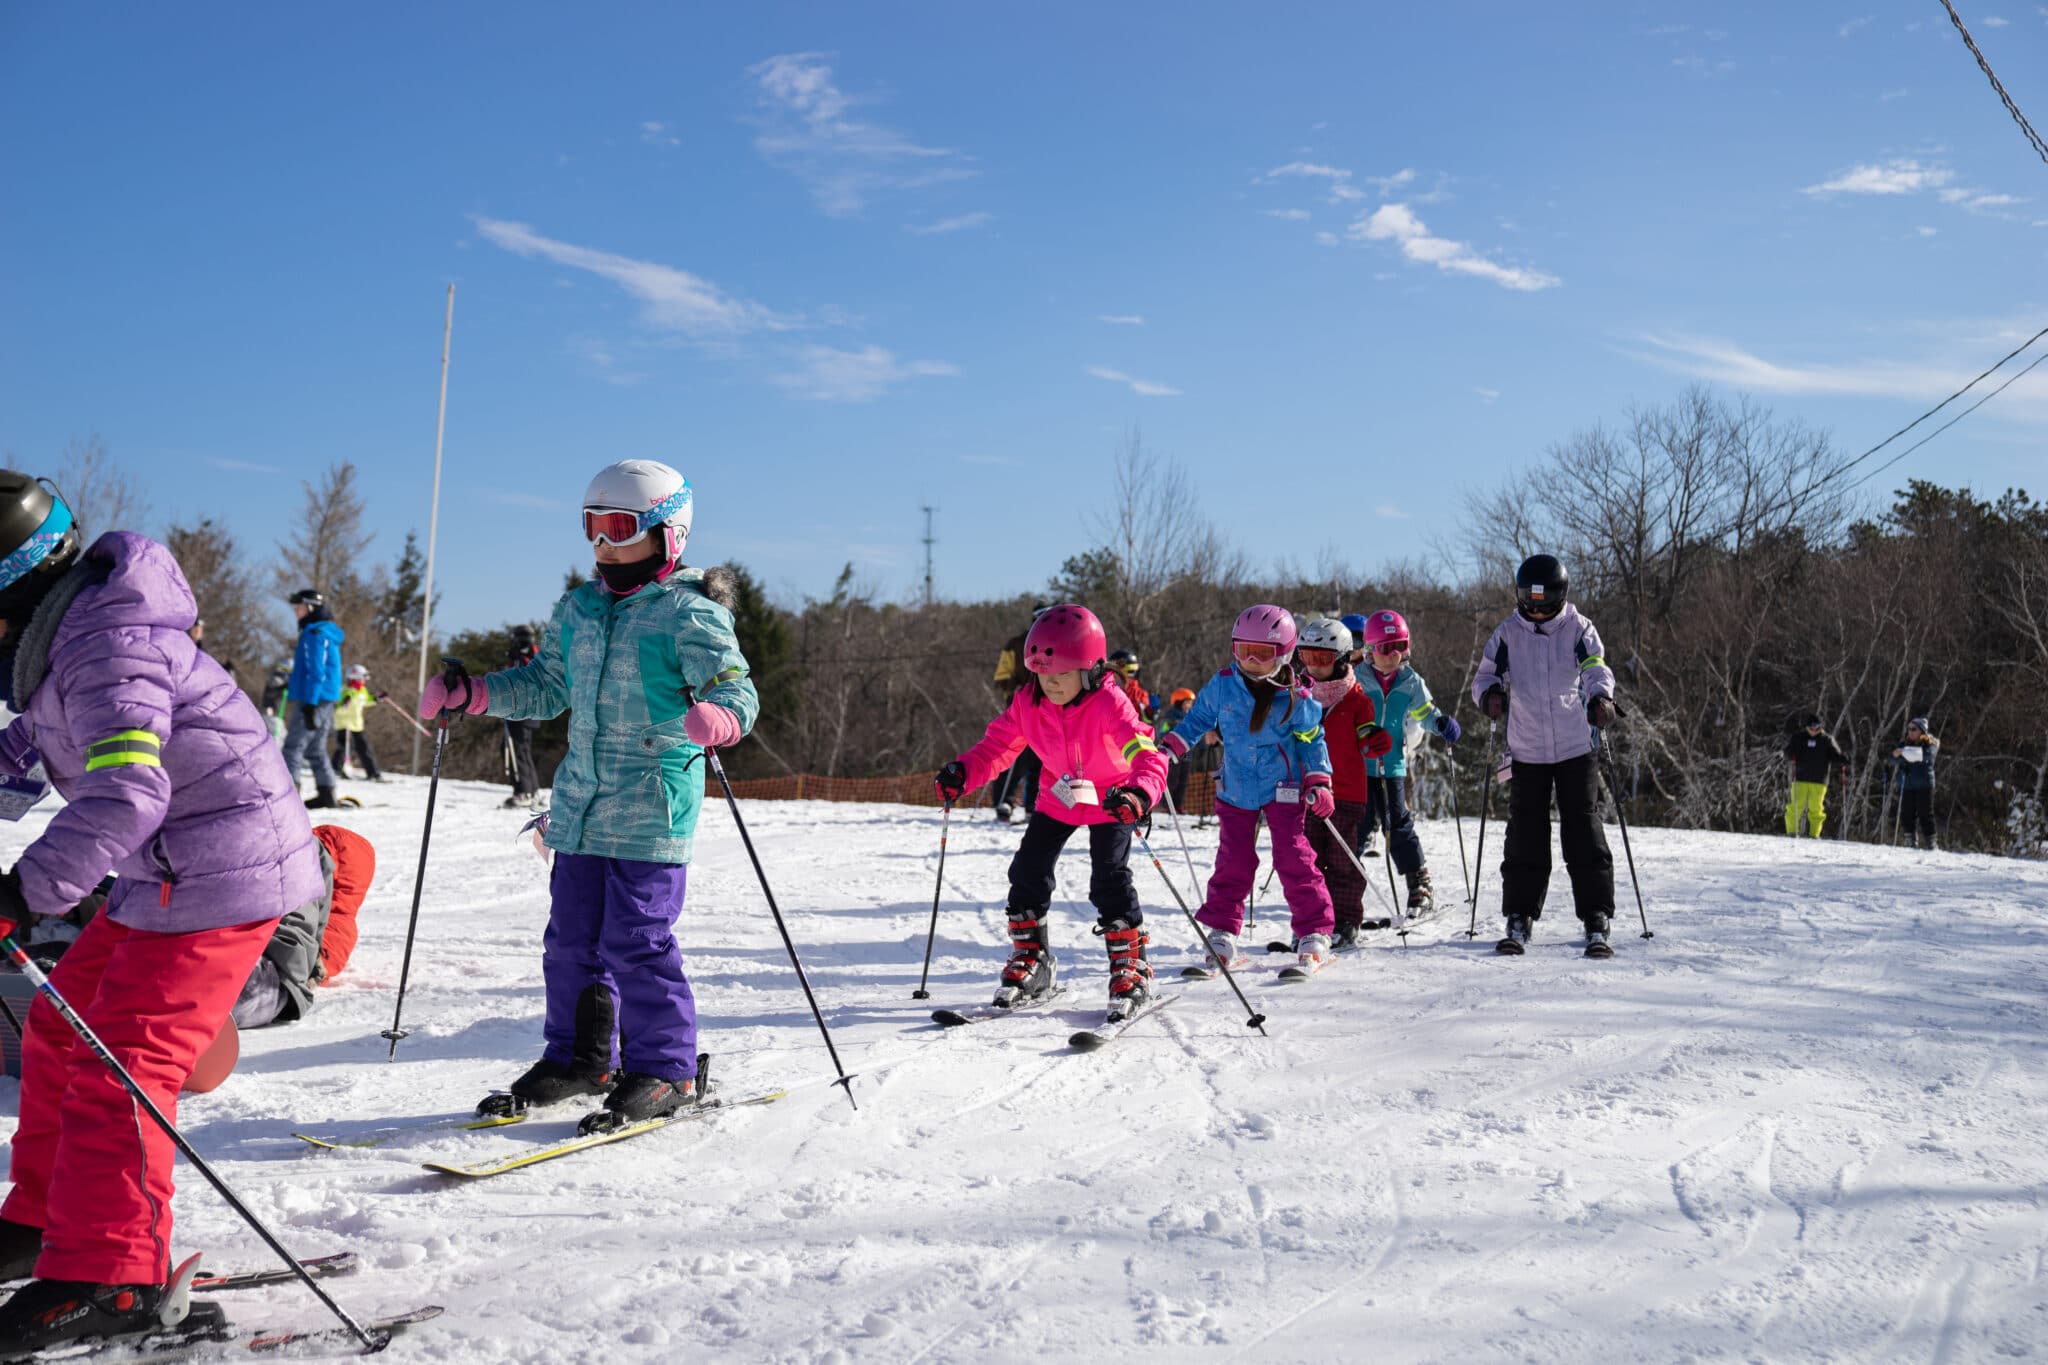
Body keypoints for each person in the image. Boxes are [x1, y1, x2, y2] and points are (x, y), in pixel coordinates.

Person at [0, 473, 324, 1354]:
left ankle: (113, 1275)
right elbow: (20, 760)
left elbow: (126, 791)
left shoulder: (106, 647)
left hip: (224, 872)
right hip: (166, 875)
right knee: (61, 1035)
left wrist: (21, 892)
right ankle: (41, 1224)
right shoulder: (61, 648)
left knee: (122, 1066)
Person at [421, 458, 757, 1124]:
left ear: (669, 533)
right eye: (592, 527)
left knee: (636, 940)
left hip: (651, 810)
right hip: (580, 809)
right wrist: (477, 692)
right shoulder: (578, 608)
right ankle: (579, 1058)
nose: (603, 544)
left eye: (619, 527)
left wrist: (721, 714)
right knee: (571, 939)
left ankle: (666, 1068)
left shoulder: (689, 614)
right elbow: (547, 686)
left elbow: (736, 687)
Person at [935, 604, 1168, 1021]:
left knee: (1109, 879)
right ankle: (1033, 960)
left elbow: (1144, 752)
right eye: (1043, 674)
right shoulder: (1029, 702)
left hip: (1112, 797)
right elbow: (997, 748)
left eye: (1061, 675)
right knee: (1027, 870)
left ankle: (1131, 966)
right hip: (1059, 795)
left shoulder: (1109, 703)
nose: (1051, 684)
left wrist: (1138, 793)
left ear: (1090, 669)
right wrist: (964, 772)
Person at [1160, 605, 1338, 976]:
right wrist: (1169, 750)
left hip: (1283, 787)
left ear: (1285, 653)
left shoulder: (1298, 695)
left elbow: (1311, 739)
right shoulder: (1224, 684)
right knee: (1233, 860)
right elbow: (1196, 721)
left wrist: (1320, 779)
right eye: (1245, 651)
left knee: (1293, 856)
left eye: (1264, 653)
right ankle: (1222, 932)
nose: (1253, 661)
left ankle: (1314, 932)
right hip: (1236, 786)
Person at [1472, 554, 1619, 958]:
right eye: (1529, 602)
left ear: (1560, 596)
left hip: (1575, 746)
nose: (1536, 611)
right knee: (1525, 834)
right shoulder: (1507, 633)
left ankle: (1595, 917)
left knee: (1583, 830)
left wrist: (1600, 698)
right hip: (1527, 749)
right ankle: (1519, 916)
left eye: (1543, 603)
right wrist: (1489, 696)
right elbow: (1484, 676)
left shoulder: (1579, 628)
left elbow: (1595, 668)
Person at [1295, 619, 1395, 946]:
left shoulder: (1355, 699)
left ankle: (1346, 920)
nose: (1313, 666)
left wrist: (1375, 741)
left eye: (1321, 659)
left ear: (1340, 659)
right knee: (1307, 863)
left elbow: (1366, 736)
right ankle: (1312, 924)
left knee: (1341, 861)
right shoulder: (1297, 695)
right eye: (1306, 657)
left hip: (1345, 794)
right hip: (1306, 794)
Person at [1356, 610, 1460, 915]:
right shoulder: (1357, 679)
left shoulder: (1410, 680)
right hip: (1359, 767)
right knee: (1356, 828)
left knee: (1398, 826)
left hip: (1392, 765)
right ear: (1371, 650)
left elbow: (1425, 713)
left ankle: (1419, 885)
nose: (1394, 655)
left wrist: (1440, 724)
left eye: (1400, 646)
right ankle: (1342, 890)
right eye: (1386, 648)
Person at [231, 824, 375, 1029]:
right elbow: (321, 967)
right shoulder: (342, 925)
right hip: (273, 983)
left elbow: (318, 969)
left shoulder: (287, 865)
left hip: (267, 976)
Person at [280, 588, 345, 809]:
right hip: (324, 697)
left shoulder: (315, 634)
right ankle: (326, 792)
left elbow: (317, 672)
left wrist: (310, 703)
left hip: (315, 698)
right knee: (315, 748)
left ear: (310, 608)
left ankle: (289, 799)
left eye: (298, 608)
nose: (296, 612)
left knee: (292, 748)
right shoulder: (321, 632)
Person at [987, 606, 1048, 823]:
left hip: (1050, 709)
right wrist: (1015, 688)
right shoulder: (1016, 644)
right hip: (1022, 707)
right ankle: (1006, 800)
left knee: (1042, 758)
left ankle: (1034, 804)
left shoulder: (1058, 640)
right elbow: (1002, 676)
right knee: (1015, 754)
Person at [1341, 612, 1379, 858]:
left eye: (1360, 642)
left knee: (1371, 790)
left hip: (1369, 743)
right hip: (1342, 745)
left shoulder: (1372, 670)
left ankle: (1369, 828)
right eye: (1351, 641)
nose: (1355, 648)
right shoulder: (1335, 668)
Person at [1784, 712, 1848, 838]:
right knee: (1796, 806)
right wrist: (1789, 753)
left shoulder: (1826, 740)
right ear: (1806, 727)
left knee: (1816, 808)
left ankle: (1814, 834)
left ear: (1820, 727)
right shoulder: (1799, 738)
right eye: (1810, 729)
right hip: (1800, 778)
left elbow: (1835, 755)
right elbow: (1788, 752)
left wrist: (1842, 759)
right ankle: (1792, 831)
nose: (1813, 731)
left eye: (1816, 729)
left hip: (1819, 779)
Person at [502, 624, 544, 809]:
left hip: (522, 710)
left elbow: (522, 678)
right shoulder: (522, 654)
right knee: (521, 750)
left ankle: (524, 791)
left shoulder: (527, 655)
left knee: (517, 749)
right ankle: (531, 790)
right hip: (525, 711)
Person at [1888, 716, 1941, 850]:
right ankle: (1910, 840)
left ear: (1921, 731)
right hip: (1907, 784)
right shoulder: (1904, 743)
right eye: (1909, 729)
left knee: (1925, 814)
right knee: (1906, 814)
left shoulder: (1931, 742)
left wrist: (1904, 754)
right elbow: (1891, 759)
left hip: (1924, 784)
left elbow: (1926, 755)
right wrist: (1903, 756)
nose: (1910, 732)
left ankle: (1931, 842)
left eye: (1913, 729)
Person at [330, 664, 383, 781]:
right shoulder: (345, 690)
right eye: (362, 678)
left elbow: (365, 701)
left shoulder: (362, 691)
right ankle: (335, 769)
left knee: (364, 748)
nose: (364, 681)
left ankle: (373, 773)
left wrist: (376, 699)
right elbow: (337, 707)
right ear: (355, 678)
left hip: (357, 725)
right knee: (344, 748)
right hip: (344, 724)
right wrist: (344, 703)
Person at [1157, 687, 1197, 816]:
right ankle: (1167, 805)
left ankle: (1178, 805)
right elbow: (1162, 732)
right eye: (1187, 703)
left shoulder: (1190, 718)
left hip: (1186, 753)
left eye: (1190, 704)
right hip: (1173, 753)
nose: (1189, 706)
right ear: (1179, 703)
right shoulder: (1170, 717)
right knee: (1172, 779)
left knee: (1183, 780)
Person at [1107, 649, 1155, 721]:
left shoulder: (1140, 695)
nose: (1110, 674)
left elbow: (1147, 721)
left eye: (1113, 671)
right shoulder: (1106, 691)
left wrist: (1151, 712)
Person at [259, 658, 291, 745]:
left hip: (273, 712)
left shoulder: (280, 679)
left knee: (282, 735)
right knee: (276, 736)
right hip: (272, 713)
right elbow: (277, 683)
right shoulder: (277, 678)